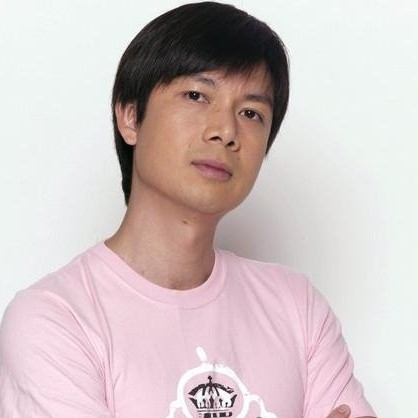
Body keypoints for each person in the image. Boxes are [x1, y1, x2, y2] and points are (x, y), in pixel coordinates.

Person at [0, 2, 376, 418]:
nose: (226, 131)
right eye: (197, 96)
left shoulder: (297, 308)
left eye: (251, 113)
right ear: (130, 116)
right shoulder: (55, 318)